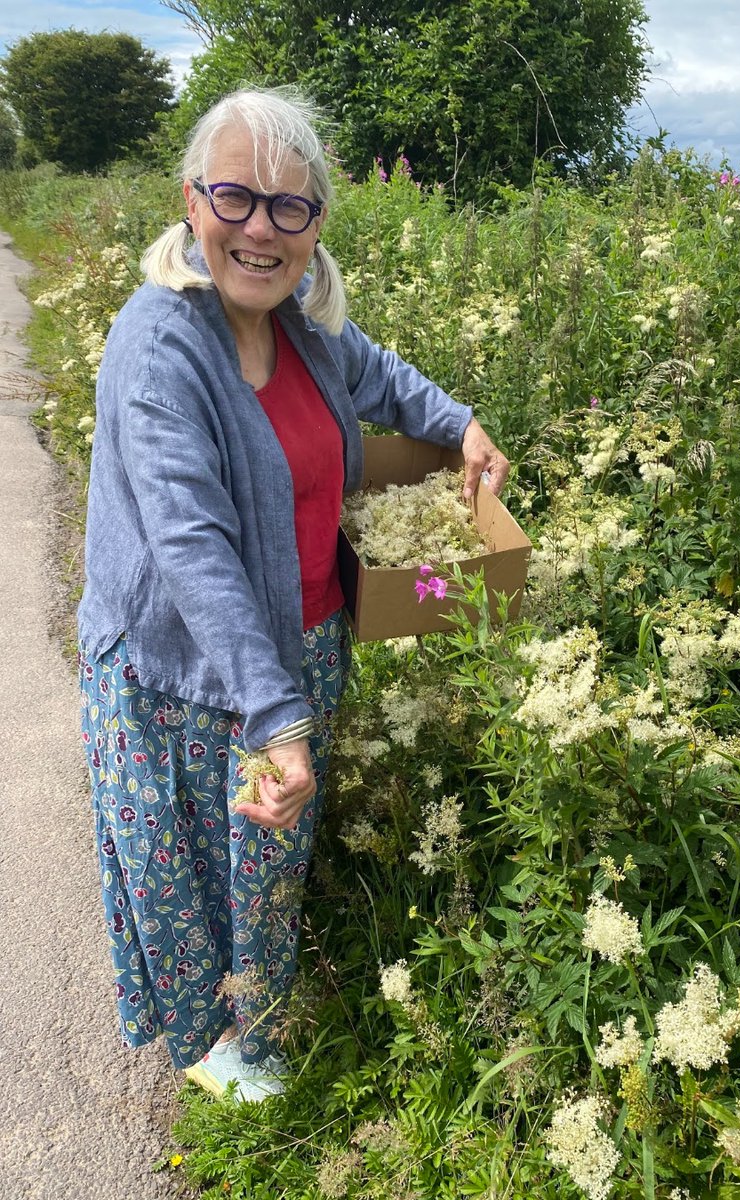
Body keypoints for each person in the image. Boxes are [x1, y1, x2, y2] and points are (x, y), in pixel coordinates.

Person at [77, 85, 509, 1102]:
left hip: (299, 648)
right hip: (184, 674)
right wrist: (276, 716)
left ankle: (260, 1016)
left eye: (290, 207)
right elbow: (194, 550)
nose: (260, 230)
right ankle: (209, 1043)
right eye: (236, 198)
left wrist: (461, 424)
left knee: (265, 864)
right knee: (186, 872)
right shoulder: (161, 344)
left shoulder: (309, 329)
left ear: (315, 226)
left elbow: (385, 377)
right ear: (192, 203)